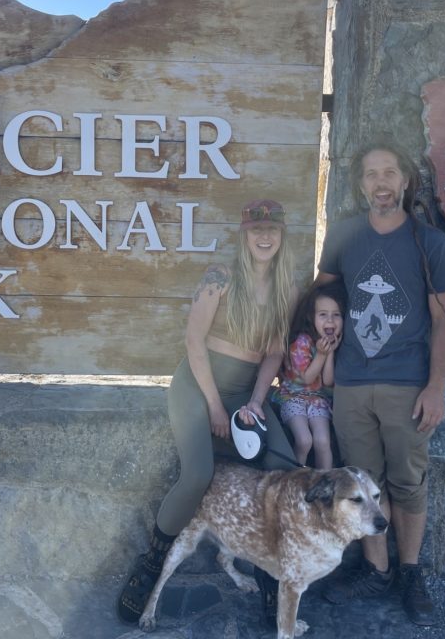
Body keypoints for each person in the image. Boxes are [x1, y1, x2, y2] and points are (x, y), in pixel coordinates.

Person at [117, 198, 299, 625]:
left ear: (282, 234)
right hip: (198, 385)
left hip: (245, 390)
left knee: (283, 469)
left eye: (272, 229)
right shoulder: (220, 277)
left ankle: (271, 578)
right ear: (243, 234)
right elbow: (194, 342)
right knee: (197, 474)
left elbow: (274, 351)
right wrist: (216, 407)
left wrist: (256, 401)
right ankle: (151, 563)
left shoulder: (288, 286)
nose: (265, 236)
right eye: (257, 229)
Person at [316, 138, 445, 627]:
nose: (381, 183)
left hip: (406, 383)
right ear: (361, 185)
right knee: (363, 484)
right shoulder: (345, 236)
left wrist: (435, 386)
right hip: (352, 382)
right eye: (372, 174)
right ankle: (375, 569)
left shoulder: (430, 244)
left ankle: (410, 572)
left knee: (407, 482)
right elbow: (323, 299)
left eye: (389, 173)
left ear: (405, 181)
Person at [271, 281, 347, 468]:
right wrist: (321, 354)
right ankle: (296, 483)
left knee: (322, 442)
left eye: (336, 315)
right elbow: (307, 378)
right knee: (304, 440)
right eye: (323, 315)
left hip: (318, 400)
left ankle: (325, 487)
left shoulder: (334, 343)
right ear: (311, 317)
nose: (330, 321)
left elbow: (328, 381)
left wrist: (329, 353)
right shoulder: (302, 342)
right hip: (293, 397)